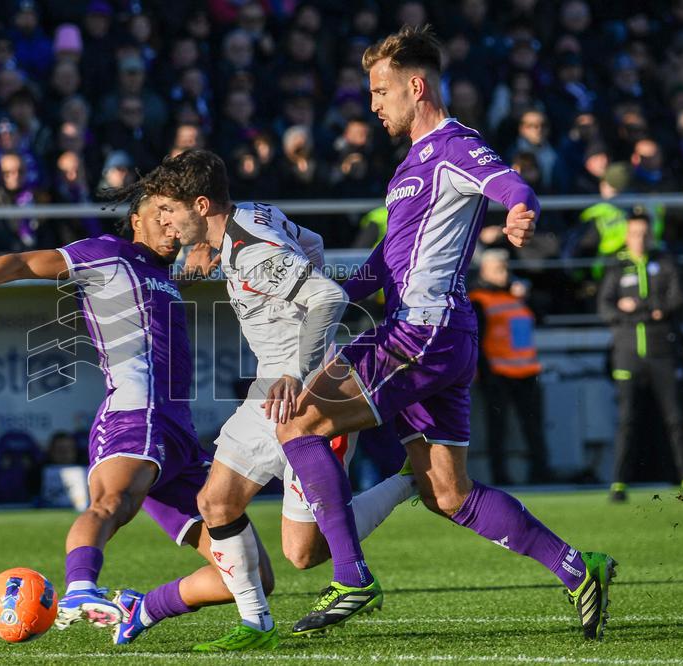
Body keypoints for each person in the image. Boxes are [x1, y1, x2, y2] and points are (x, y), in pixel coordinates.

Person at [265, 26, 614, 640]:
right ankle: (577, 567)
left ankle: (351, 576)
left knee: (296, 423)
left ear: (416, 86)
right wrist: (324, 293)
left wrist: (521, 210)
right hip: (437, 337)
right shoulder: (409, 166)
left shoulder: (453, 145)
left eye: (380, 90)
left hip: (418, 335)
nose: (373, 104)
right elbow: (383, 263)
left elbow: (509, 184)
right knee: (447, 493)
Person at [0, 193, 271, 642]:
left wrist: (189, 270)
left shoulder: (160, 274)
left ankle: (141, 606)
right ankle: (79, 588)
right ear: (135, 221)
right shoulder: (105, 253)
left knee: (253, 576)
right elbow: (18, 264)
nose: (170, 227)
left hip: (179, 435)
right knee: (112, 504)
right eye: (158, 216)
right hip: (134, 412)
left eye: (174, 218)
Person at [132, 149, 416, 651]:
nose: (168, 224)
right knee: (215, 502)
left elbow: (327, 296)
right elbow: (314, 243)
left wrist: (295, 366)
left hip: (307, 395)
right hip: (269, 392)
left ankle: (409, 482)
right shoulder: (253, 215)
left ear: (200, 205)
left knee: (303, 554)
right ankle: (256, 623)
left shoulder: (253, 253)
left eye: (171, 211)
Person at [597, 212, 683, 501]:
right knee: (628, 420)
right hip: (628, 354)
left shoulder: (665, 262)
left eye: (644, 234)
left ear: (651, 235)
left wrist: (640, 306)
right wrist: (642, 311)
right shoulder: (617, 266)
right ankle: (619, 485)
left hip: (662, 352)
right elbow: (605, 308)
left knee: (676, 418)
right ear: (627, 236)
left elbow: (676, 299)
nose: (639, 240)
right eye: (634, 234)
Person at [470, 249, 550, 485]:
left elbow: (542, 315)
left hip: (527, 371)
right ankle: (500, 476)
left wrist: (527, 297)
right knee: (498, 429)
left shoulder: (517, 295)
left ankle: (540, 473)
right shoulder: (478, 299)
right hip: (497, 372)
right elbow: (478, 339)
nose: (504, 273)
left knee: (533, 427)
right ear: (485, 270)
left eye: (505, 267)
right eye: (498, 268)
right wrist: (484, 372)